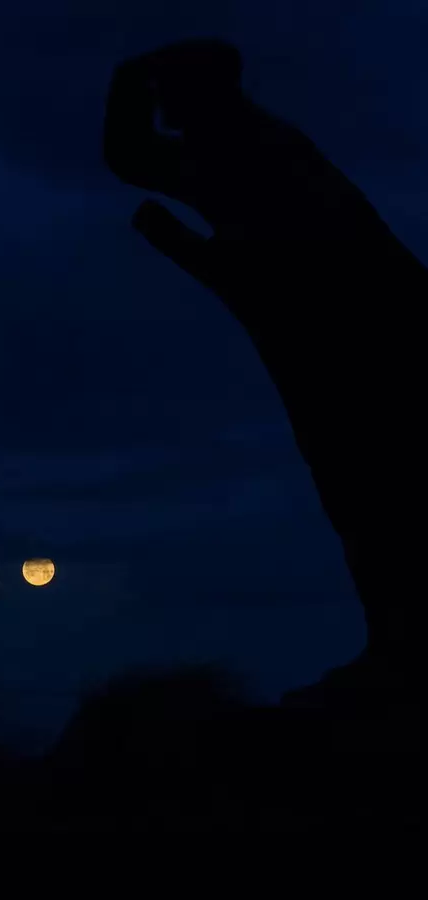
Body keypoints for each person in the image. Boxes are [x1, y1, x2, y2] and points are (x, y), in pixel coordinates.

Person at [103, 38, 426, 711]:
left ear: (202, 92)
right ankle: (398, 645)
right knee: (365, 497)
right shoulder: (249, 145)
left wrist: (125, 79)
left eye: (170, 94)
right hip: (347, 348)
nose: (165, 110)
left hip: (361, 354)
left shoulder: (245, 149)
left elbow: (129, 157)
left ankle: (403, 651)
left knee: (375, 494)